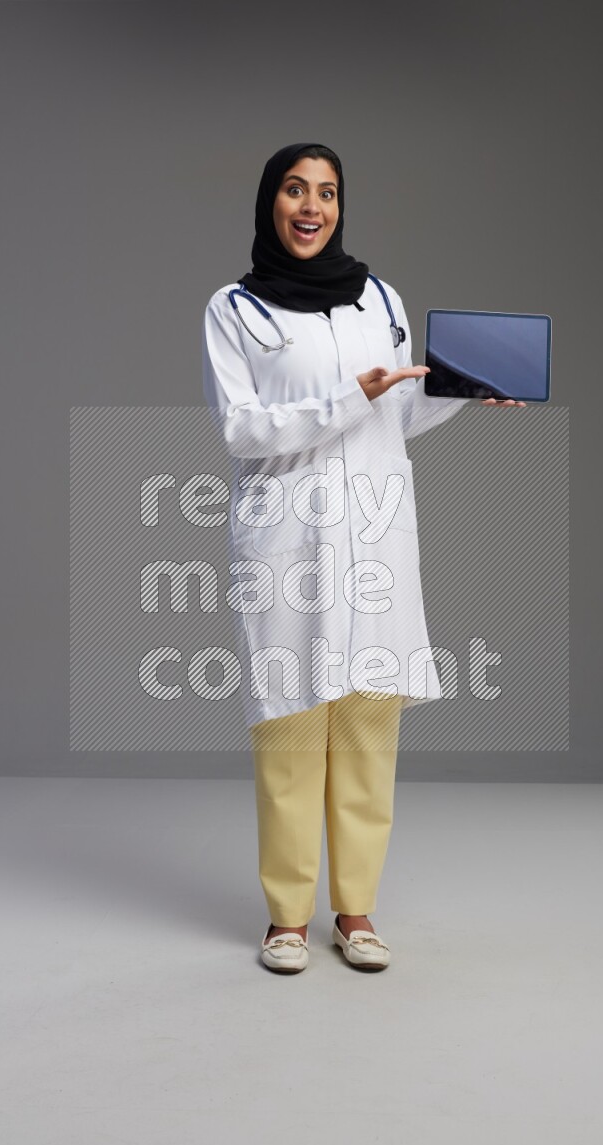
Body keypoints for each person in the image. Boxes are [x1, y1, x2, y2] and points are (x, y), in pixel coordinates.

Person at [202, 142, 525, 973]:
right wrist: (354, 397)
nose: (312, 207)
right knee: (293, 730)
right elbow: (241, 429)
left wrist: (459, 390)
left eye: (328, 193)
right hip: (289, 540)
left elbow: (395, 418)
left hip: (376, 536)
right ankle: (285, 917)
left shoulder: (381, 298)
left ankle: (355, 912)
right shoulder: (236, 310)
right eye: (296, 190)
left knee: (370, 728)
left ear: (342, 207)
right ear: (271, 202)